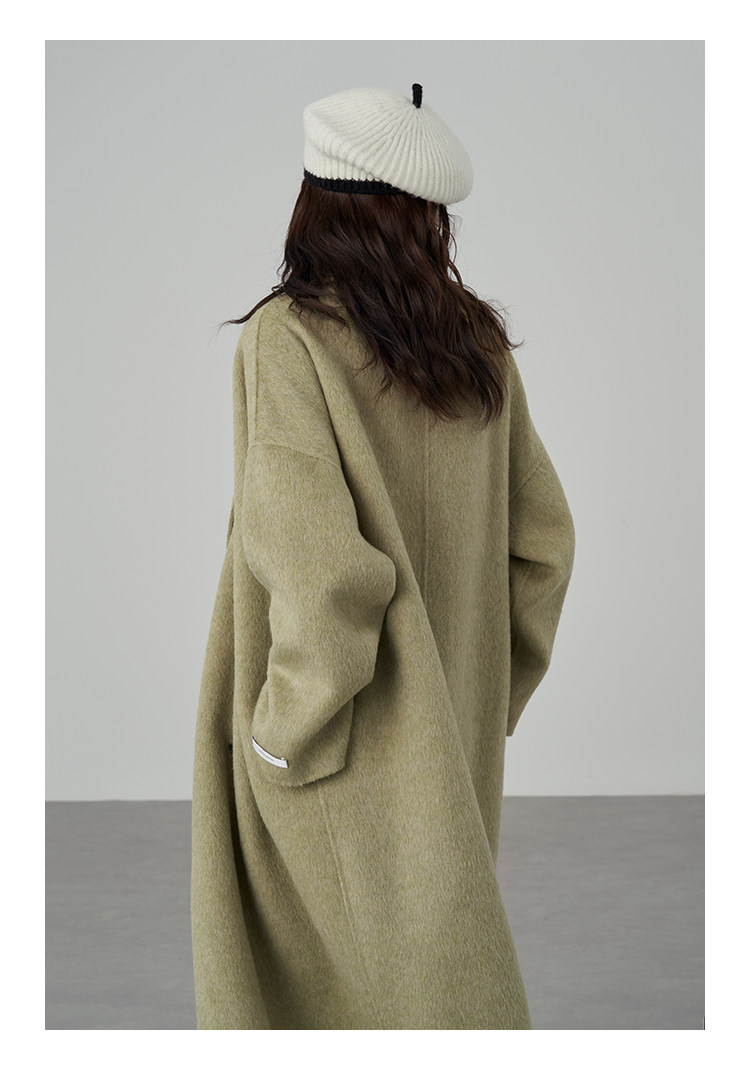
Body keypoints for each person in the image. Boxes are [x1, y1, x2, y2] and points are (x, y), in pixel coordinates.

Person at [190, 83, 575, 1030]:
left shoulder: (288, 342)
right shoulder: (477, 345)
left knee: (312, 1003)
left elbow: (324, 576)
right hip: (448, 741)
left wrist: (281, 733)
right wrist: (480, 695)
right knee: (430, 985)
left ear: (315, 201)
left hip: (330, 742)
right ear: (426, 215)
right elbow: (543, 546)